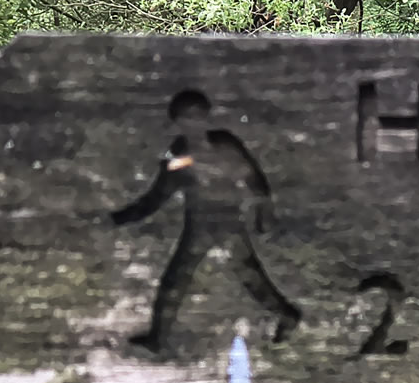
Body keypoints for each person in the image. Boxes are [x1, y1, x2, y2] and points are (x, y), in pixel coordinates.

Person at [111, 89, 300, 354]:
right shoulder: (178, 153)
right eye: (188, 118)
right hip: (199, 225)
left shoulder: (225, 146)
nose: (194, 123)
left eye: (198, 116)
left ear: (206, 117)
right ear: (177, 121)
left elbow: (255, 181)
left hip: (225, 224)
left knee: (242, 276)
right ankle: (158, 337)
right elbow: (159, 192)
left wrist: (264, 215)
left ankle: (286, 314)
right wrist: (125, 216)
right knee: (180, 280)